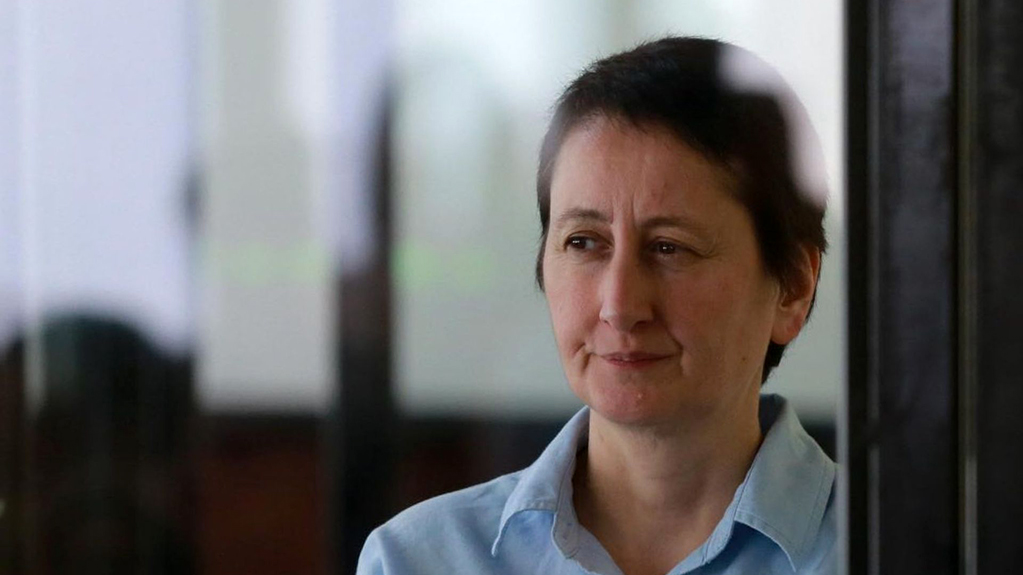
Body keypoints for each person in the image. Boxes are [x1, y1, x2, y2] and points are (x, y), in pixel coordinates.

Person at [357, 36, 835, 575]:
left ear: (793, 287)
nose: (620, 306)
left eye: (670, 248)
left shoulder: (888, 550)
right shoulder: (418, 560)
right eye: (583, 242)